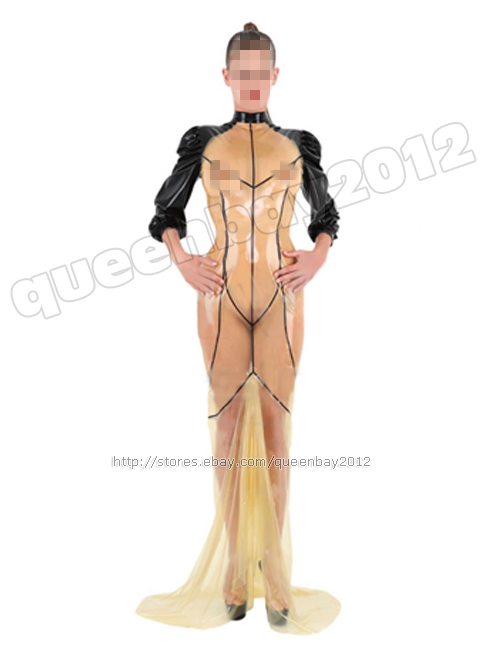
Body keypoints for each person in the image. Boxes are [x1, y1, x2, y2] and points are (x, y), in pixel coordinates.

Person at [136, 22, 342, 635]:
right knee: (226, 432)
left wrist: (317, 256)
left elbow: (326, 215)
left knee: (277, 430)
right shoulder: (202, 143)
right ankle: (231, 573)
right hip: (219, 296)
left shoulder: (299, 145)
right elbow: (165, 212)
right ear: (227, 77)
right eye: (241, 74)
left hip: (282, 296)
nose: (252, 83)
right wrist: (182, 261)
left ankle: (275, 577)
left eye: (261, 74)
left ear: (274, 77)